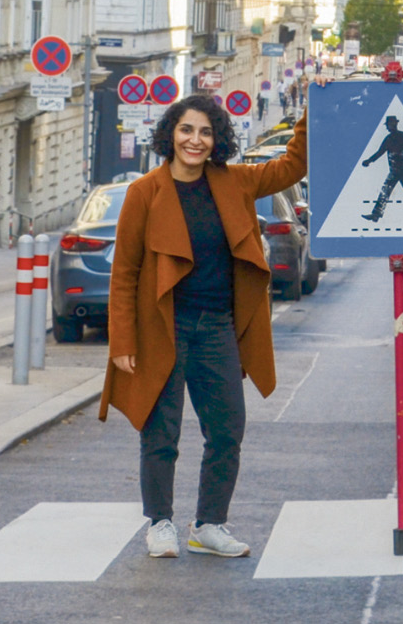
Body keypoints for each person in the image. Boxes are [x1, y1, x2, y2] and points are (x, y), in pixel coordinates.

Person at [99, 88, 321, 559]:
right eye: (186, 130)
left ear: (216, 138)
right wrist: (122, 340)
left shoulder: (234, 182)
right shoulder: (145, 192)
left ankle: (209, 524)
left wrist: (312, 110)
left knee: (227, 430)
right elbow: (125, 273)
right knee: (161, 432)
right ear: (170, 135)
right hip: (164, 327)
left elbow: (290, 168)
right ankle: (160, 523)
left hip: (217, 326)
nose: (195, 140)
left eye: (205, 131)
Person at [360, 115, 403, 225]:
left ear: (395, 124)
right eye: (388, 125)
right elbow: (380, 152)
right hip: (394, 171)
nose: (388, 127)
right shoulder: (388, 139)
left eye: (390, 124)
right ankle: (376, 215)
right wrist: (369, 161)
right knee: (385, 191)